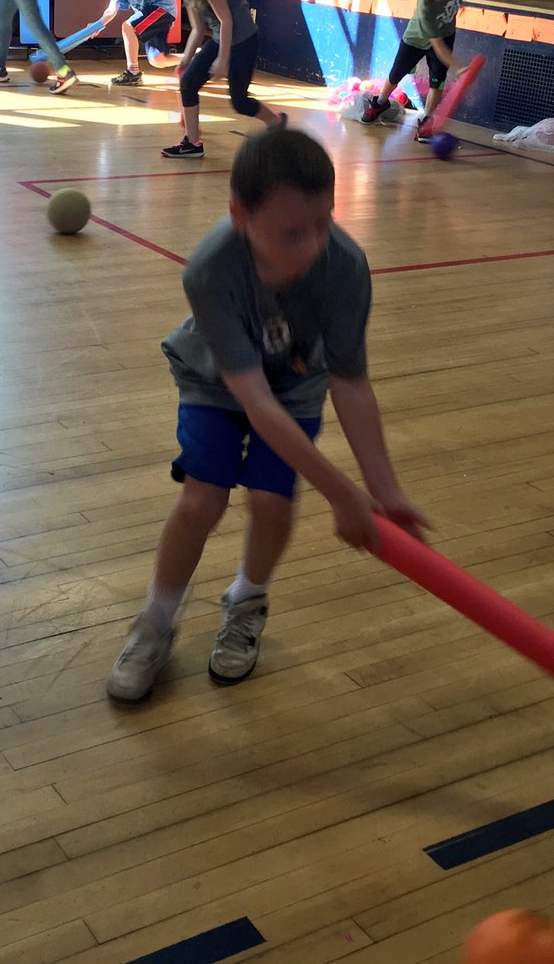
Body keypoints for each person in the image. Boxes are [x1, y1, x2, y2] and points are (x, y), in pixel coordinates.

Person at [106, 127, 430, 702]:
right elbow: (253, 400)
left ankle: (246, 602)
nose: (314, 245)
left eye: (324, 223)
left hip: (297, 384)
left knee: (272, 502)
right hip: (216, 381)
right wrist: (343, 493)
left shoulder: (346, 266)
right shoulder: (209, 270)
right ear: (240, 215)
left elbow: (350, 383)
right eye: (292, 233)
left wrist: (384, 490)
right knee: (202, 500)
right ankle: (155, 621)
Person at [161, 0, 285, 160]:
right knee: (188, 82)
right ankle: (192, 143)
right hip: (222, 38)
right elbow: (198, 29)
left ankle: (276, 122)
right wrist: (185, 61)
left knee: (240, 102)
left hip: (243, 41)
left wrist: (222, 59)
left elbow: (226, 20)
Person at [361, 0, 466, 143]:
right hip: (416, 39)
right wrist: (459, 67)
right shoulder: (425, 6)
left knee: (437, 81)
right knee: (396, 74)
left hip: (446, 33)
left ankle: (426, 119)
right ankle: (381, 102)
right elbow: (438, 46)